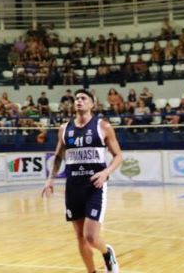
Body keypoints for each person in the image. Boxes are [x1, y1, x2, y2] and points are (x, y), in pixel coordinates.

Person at [42, 88, 124, 273]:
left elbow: (118, 156)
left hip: (95, 186)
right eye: (77, 98)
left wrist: (106, 172)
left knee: (91, 237)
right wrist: (50, 179)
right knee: (80, 237)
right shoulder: (64, 129)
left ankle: (107, 253)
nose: (79, 101)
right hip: (73, 187)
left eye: (83, 98)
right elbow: (57, 156)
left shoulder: (102, 126)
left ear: (92, 104)